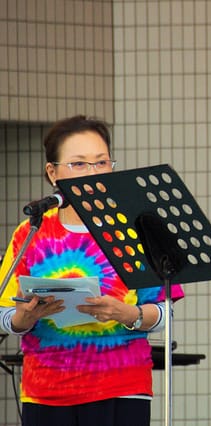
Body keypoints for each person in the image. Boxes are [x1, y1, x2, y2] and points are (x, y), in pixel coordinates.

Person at [0, 115, 184, 426]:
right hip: (46, 391)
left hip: (122, 387)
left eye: (101, 163)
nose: (92, 173)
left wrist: (127, 314)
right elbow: (6, 314)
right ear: (52, 173)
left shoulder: (137, 229)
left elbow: (165, 313)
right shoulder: (29, 233)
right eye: (79, 164)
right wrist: (23, 318)